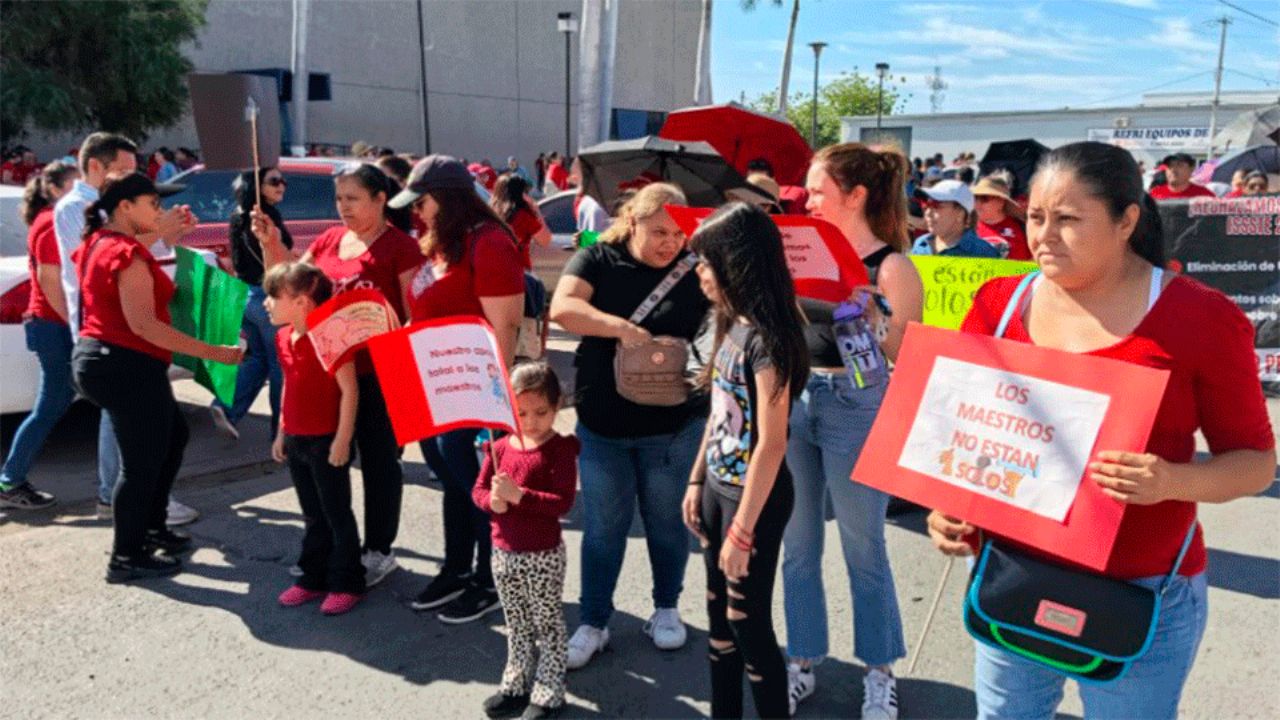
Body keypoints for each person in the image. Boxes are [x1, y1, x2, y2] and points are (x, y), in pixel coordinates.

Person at [927, 141, 1275, 720]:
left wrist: (1171, 480)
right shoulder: (999, 302)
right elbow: (957, 434)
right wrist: (948, 506)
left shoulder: (1202, 318)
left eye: (1067, 220)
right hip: (1008, 579)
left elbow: (1256, 463)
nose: (1043, 235)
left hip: (1141, 595)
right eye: (1035, 216)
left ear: (1127, 220)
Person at [785, 143, 924, 720]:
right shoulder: (805, 250)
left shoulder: (892, 265)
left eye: (818, 190)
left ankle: (878, 671)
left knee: (863, 544)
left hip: (857, 400)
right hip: (795, 397)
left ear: (856, 195)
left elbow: (907, 351)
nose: (808, 199)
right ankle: (801, 660)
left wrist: (876, 320)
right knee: (796, 546)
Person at [549, 182, 710, 669]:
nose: (670, 242)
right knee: (603, 528)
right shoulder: (600, 258)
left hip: (675, 424)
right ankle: (594, 620)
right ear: (633, 221)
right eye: (659, 230)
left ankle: (665, 608)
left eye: (680, 233)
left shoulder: (696, 268)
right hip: (603, 424)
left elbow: (728, 321)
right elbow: (564, 308)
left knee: (667, 525)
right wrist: (621, 327)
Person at [254, 162, 422, 588]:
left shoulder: (401, 248)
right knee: (327, 468)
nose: (343, 207)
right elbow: (289, 283)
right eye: (339, 198)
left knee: (380, 462)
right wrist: (271, 243)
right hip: (326, 374)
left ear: (381, 199)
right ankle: (331, 549)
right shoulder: (330, 239)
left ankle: (378, 550)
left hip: (381, 373)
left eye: (353, 198)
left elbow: (414, 316)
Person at [72, 173, 243, 583]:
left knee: (172, 438)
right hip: (124, 364)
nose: (160, 211)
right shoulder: (125, 254)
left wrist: (160, 232)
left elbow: (127, 252)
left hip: (114, 361)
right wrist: (215, 353)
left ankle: (150, 528)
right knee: (141, 464)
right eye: (152, 204)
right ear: (125, 208)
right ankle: (127, 556)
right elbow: (145, 326)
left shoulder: (102, 242)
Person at [681, 203, 810, 719]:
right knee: (718, 622)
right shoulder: (728, 324)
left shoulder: (768, 338)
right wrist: (695, 480)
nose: (699, 272)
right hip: (717, 489)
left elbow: (771, 443)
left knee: (748, 624)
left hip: (752, 502)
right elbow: (719, 414)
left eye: (707, 262)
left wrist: (742, 531)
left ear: (737, 263)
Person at [387, 155, 525, 624]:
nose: (415, 211)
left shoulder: (489, 243)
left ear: (446, 199)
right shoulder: (439, 244)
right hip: (433, 385)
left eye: (421, 202)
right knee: (451, 481)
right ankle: (456, 568)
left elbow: (504, 327)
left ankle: (490, 578)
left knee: (479, 487)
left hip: (473, 389)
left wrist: (496, 406)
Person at [55, 132, 200, 525]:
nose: (131, 182)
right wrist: (160, 231)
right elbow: (108, 254)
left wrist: (164, 232)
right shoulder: (75, 208)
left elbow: (140, 254)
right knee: (133, 428)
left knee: (155, 430)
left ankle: (144, 510)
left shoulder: (110, 210)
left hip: (128, 334)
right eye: (123, 173)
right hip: (109, 333)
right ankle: (126, 508)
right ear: (97, 167)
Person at [473, 362, 579, 720]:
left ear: (557, 406)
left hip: (542, 554)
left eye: (541, 412)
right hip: (503, 552)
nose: (531, 422)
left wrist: (521, 496)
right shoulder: (499, 447)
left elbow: (563, 503)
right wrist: (493, 501)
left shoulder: (560, 450)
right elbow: (479, 490)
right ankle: (516, 684)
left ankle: (549, 690)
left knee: (547, 623)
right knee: (516, 622)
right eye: (521, 413)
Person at [265, 262, 364, 616]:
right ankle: (313, 577)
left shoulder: (331, 335)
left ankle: (348, 580)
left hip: (325, 439)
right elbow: (289, 385)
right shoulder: (283, 336)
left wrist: (342, 439)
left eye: (274, 296)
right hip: (296, 439)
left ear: (302, 301)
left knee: (336, 513)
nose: (267, 303)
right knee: (312, 514)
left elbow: (350, 391)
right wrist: (281, 431)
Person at [0, 161, 81, 510]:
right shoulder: (51, 223)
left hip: (53, 324)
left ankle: (11, 478)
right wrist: (76, 328)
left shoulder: (51, 220)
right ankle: (10, 479)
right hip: (53, 325)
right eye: (76, 185)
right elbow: (50, 282)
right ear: (55, 190)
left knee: (57, 401)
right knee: (51, 403)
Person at [209, 168, 294, 441]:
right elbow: (277, 255)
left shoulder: (238, 216)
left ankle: (226, 406)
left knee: (258, 359)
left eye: (282, 180)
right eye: (274, 181)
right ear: (256, 187)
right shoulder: (264, 218)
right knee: (281, 364)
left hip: (244, 296)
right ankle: (283, 433)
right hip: (265, 296)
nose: (282, 185)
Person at [911, 179, 1002, 258]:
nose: (928, 213)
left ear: (960, 214)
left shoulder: (985, 253)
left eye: (936, 206)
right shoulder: (921, 244)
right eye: (926, 205)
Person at [491, 174, 552, 270]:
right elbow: (545, 240)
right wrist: (536, 210)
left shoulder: (490, 214)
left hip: (493, 269)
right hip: (518, 271)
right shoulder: (523, 216)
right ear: (521, 193)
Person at [972, 176, 1030, 260]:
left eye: (984, 199)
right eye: (975, 198)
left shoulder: (1023, 229)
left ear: (1001, 201)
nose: (977, 204)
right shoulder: (965, 228)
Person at [1149, 153, 1215, 200]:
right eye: (1170, 166)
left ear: (1191, 169)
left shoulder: (1205, 195)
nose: (1173, 170)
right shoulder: (1154, 194)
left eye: (1179, 165)